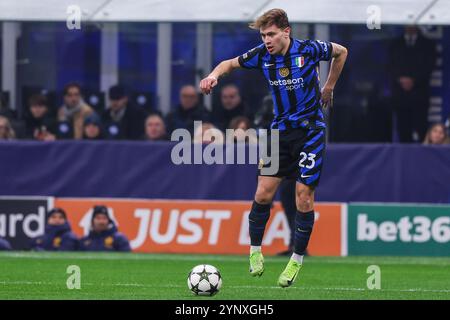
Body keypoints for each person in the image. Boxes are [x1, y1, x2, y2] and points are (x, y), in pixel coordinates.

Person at [200, 8, 347, 287]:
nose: (266, 40)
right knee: (263, 193)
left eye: (271, 34)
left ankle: (296, 260)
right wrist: (213, 76)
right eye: (263, 35)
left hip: (310, 132)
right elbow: (228, 63)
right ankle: (255, 251)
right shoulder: (261, 55)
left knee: (303, 197)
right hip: (278, 133)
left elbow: (341, 52)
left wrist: (328, 86)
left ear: (286, 31)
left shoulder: (310, 49)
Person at [388, 26, 437, 143]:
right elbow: (389, 65)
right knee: (403, 129)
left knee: (421, 128)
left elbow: (429, 65)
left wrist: (414, 80)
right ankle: (405, 159)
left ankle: (423, 159)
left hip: (419, 95)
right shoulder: (395, 44)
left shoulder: (427, 44)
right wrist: (400, 79)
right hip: (400, 96)